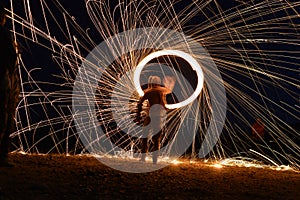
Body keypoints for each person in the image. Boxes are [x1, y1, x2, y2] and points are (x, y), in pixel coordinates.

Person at [136, 76, 175, 164]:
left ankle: (143, 158)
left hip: (149, 117)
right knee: (156, 139)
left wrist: (138, 116)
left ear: (150, 83)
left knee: (145, 137)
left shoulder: (148, 92)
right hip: (158, 118)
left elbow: (139, 104)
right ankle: (155, 160)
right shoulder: (162, 92)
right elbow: (164, 105)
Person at [0, 6, 20, 167]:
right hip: (4, 81)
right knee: (4, 117)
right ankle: (2, 155)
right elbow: (12, 59)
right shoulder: (5, 35)